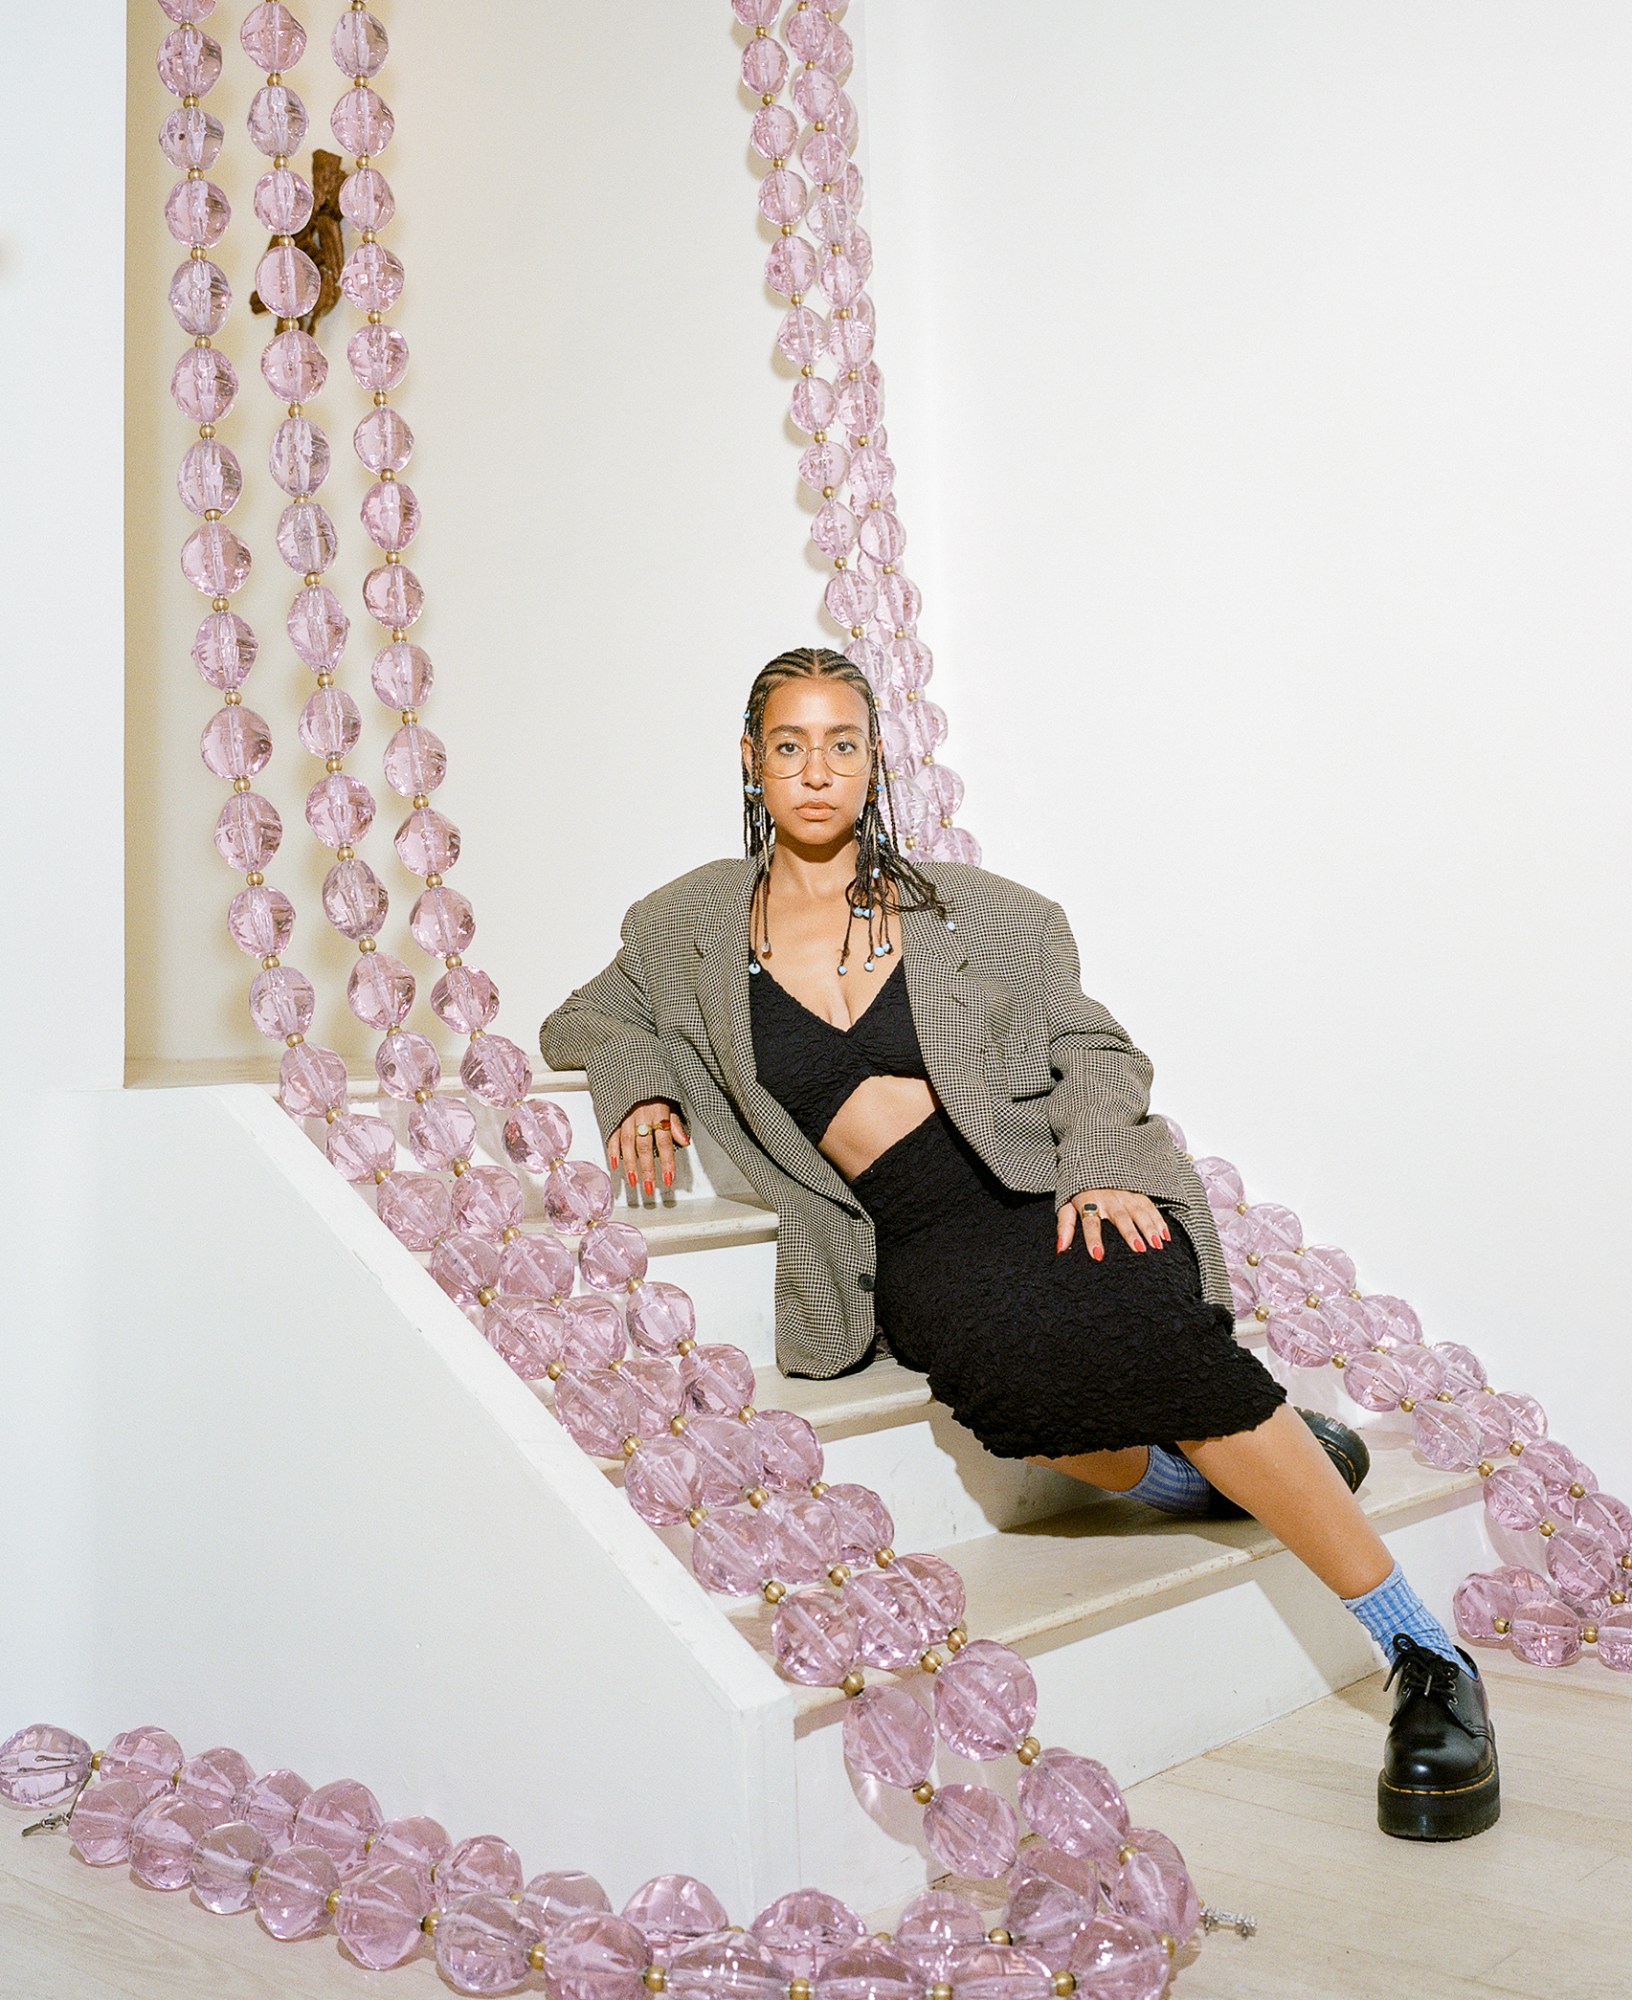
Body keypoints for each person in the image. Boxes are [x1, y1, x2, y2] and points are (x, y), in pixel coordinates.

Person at [540, 644, 1498, 1842]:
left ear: (876, 756)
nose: (818, 771)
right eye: (791, 746)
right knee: (1022, 1397)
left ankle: (1422, 1652)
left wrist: (1098, 1167)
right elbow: (589, 1012)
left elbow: (1099, 1052)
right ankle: (1215, 1477)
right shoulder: (685, 924)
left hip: (1049, 1182)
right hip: (915, 1234)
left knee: (1145, 1327)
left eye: (843, 744)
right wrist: (639, 1090)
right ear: (753, 759)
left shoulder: (979, 915)